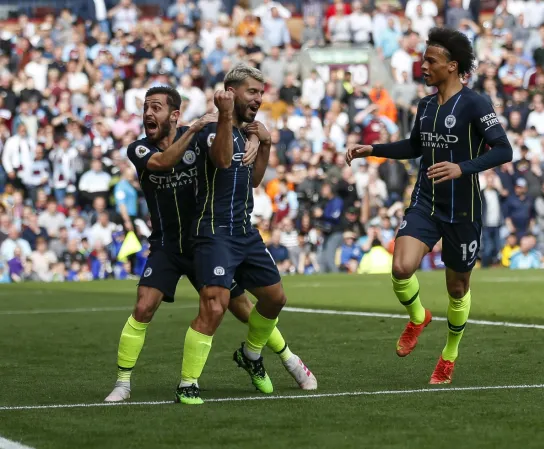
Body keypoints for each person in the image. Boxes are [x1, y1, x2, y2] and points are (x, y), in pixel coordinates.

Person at [106, 86, 316, 403]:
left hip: (203, 242)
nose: (148, 113)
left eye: (156, 107)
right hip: (166, 245)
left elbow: (236, 138)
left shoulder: (200, 139)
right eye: (146, 107)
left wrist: (256, 139)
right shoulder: (139, 148)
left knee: (244, 310)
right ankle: (122, 384)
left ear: (174, 115)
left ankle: (290, 361)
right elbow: (162, 163)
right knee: (143, 307)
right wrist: (193, 128)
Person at [346, 28, 513, 384]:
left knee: (457, 289)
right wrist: (373, 150)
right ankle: (418, 316)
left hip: (463, 210)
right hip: (426, 202)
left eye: (430, 61)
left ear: (452, 66)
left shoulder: (475, 103)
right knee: (401, 267)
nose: (423, 66)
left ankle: (449, 355)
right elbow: (414, 147)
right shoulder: (424, 106)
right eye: (423, 60)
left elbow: (504, 149)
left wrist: (462, 168)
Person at [175, 64, 307, 405]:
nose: (259, 99)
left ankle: (250, 354)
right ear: (230, 93)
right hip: (213, 231)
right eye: (252, 92)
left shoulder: (248, 132)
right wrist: (225, 117)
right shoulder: (211, 128)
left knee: (275, 298)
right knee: (215, 306)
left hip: (244, 231)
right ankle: (188, 383)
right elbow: (221, 161)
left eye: (261, 93)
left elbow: (254, 180)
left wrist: (265, 143)